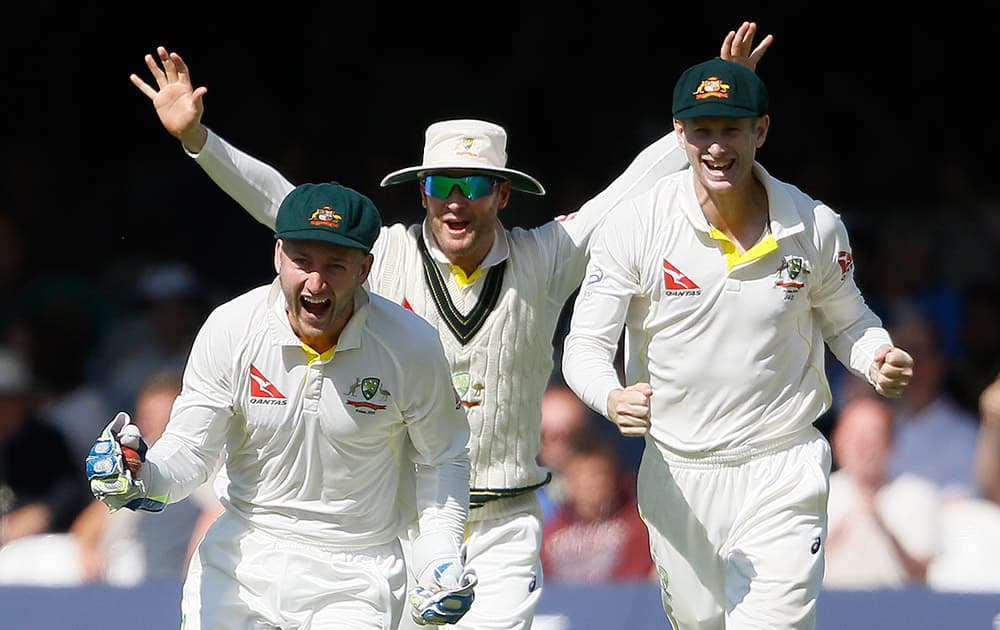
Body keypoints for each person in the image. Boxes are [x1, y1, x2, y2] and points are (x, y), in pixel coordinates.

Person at [128, 22, 772, 630]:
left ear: (502, 193)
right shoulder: (379, 257)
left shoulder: (546, 258)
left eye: (473, 183)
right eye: (441, 183)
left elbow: (625, 192)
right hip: (402, 521)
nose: (456, 199)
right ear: (424, 189)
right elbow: (282, 205)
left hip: (505, 519)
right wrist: (198, 140)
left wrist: (707, 115)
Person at [560, 55, 915, 628]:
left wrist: (876, 356)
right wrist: (610, 395)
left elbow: (848, 320)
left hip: (782, 463)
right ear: (679, 134)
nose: (716, 147)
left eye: (731, 130)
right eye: (701, 131)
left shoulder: (814, 223)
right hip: (677, 471)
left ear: (761, 131)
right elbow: (583, 346)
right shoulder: (637, 225)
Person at [86, 183, 475, 629]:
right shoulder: (232, 327)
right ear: (277, 256)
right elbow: (193, 449)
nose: (315, 282)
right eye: (302, 262)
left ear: (365, 268)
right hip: (244, 556)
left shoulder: (411, 345)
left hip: (356, 573)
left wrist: (440, 555)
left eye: (335, 266)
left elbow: (442, 458)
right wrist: (141, 477)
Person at [72, 369, 224, 585]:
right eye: (149, 416)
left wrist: (195, 568)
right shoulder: (131, 464)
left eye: (165, 416)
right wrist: (88, 551)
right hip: (129, 577)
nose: (156, 425)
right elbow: (87, 526)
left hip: (189, 577)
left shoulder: (206, 462)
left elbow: (219, 510)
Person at [824, 396, 939, 589]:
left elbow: (922, 576)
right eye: (853, 435)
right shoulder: (817, 493)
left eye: (873, 436)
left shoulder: (917, 495)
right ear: (836, 441)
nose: (863, 447)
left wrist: (881, 525)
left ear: (890, 443)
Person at [540, 433, 653, 583]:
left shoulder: (638, 529)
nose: (591, 487)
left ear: (612, 478)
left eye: (598, 476)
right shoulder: (549, 535)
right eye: (581, 478)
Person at [537, 383, 597, 523]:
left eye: (565, 434)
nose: (556, 445)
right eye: (545, 435)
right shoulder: (521, 494)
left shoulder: (614, 488)